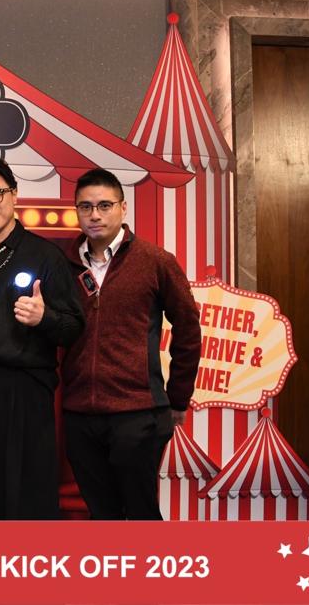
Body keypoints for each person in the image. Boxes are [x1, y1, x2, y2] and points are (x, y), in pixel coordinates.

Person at [61, 168, 201, 520]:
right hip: (79, 413)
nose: (95, 215)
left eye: (104, 205)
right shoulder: (63, 263)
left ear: (123, 208)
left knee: (141, 514)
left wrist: (178, 397)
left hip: (137, 411)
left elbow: (188, 329)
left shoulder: (156, 261)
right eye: (85, 207)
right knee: (101, 514)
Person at [0, 157, 84, 519]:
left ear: (14, 194)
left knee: (25, 490)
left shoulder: (45, 256)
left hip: (24, 389)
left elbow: (74, 327)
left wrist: (45, 318)